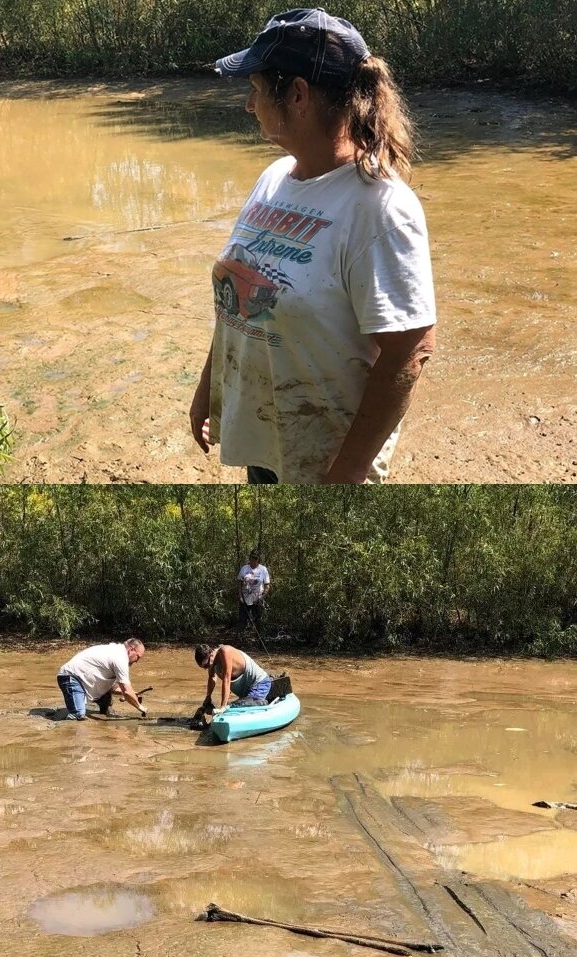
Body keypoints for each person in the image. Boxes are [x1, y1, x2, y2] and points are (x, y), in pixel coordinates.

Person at [190, 8, 436, 484]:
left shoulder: (380, 207)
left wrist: (348, 469)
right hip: (268, 436)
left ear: (297, 94)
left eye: (257, 90)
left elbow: (410, 350)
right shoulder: (274, 178)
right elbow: (241, 291)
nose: (249, 104)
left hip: (328, 457)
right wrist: (210, 388)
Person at [56, 638, 147, 721]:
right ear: (131, 649)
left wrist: (131, 694)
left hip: (83, 679)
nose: (137, 661)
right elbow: (127, 691)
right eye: (137, 657)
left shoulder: (117, 652)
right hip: (71, 677)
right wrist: (140, 707)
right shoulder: (120, 658)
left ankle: (102, 712)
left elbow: (113, 688)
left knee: (107, 694)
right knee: (78, 715)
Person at [195, 642, 272, 713]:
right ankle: (249, 700)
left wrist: (222, 707)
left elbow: (226, 679)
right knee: (235, 706)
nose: (207, 668)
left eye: (206, 665)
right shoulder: (211, 662)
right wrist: (208, 697)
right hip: (246, 693)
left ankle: (262, 702)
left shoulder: (225, 651)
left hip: (259, 683)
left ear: (211, 654)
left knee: (233, 707)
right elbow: (212, 677)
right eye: (204, 667)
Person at [237, 549, 270, 631]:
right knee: (242, 620)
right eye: (252, 558)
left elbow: (267, 585)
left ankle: (257, 640)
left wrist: (262, 597)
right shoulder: (244, 568)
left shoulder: (263, 569)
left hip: (257, 600)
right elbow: (239, 583)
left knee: (257, 620)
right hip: (245, 599)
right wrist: (240, 596)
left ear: (258, 559)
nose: (253, 560)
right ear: (249, 558)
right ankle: (240, 637)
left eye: (255, 558)